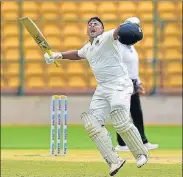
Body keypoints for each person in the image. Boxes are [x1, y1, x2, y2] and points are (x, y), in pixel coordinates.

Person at [44, 17, 148, 176]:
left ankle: (141, 153)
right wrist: (58, 55)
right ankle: (114, 161)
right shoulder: (88, 48)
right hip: (103, 88)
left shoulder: (107, 37)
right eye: (90, 24)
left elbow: (118, 31)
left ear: (102, 28)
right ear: (87, 30)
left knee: (119, 118)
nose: (92, 25)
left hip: (119, 84)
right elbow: (77, 54)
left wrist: (129, 23)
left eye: (96, 24)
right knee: (92, 124)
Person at [115, 17, 159, 152]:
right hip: (123, 84)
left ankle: (143, 141)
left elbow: (133, 66)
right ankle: (121, 144)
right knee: (123, 114)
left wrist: (138, 82)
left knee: (136, 113)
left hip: (132, 83)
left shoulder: (131, 47)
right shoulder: (119, 46)